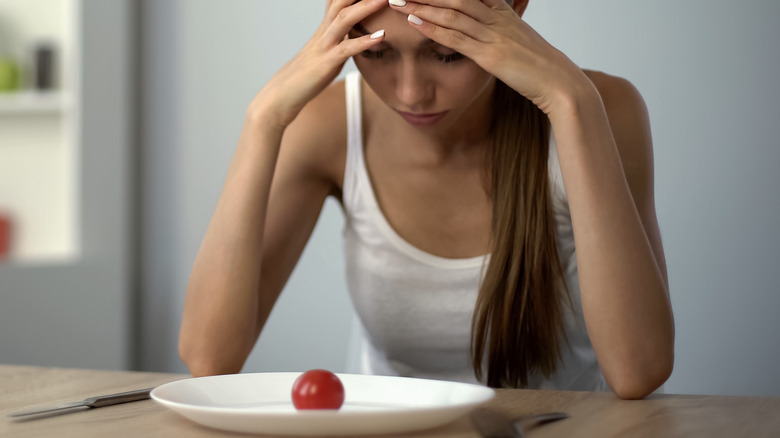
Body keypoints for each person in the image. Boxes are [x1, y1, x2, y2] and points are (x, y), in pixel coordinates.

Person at [179, 0, 674, 400]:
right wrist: (263, 120)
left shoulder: (600, 112)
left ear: (513, 10)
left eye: (446, 53)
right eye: (375, 52)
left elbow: (639, 370)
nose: (411, 94)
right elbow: (209, 358)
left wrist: (569, 99)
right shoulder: (331, 128)